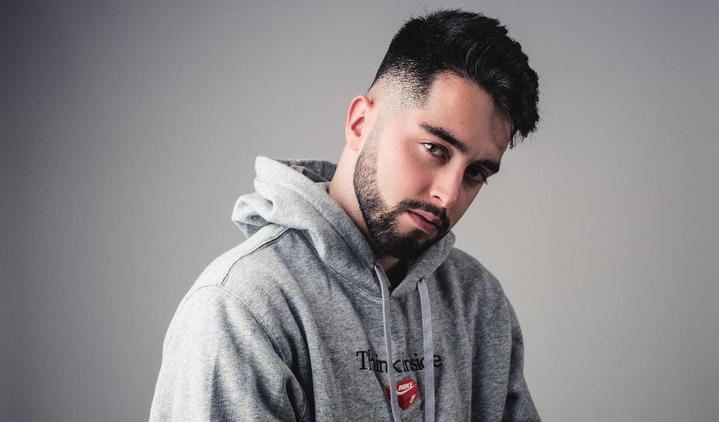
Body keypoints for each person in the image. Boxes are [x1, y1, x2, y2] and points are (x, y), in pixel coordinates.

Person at [150, 8, 541, 421]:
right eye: (434, 149)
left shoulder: (477, 300)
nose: (448, 195)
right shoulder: (243, 308)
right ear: (359, 123)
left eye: (475, 173)